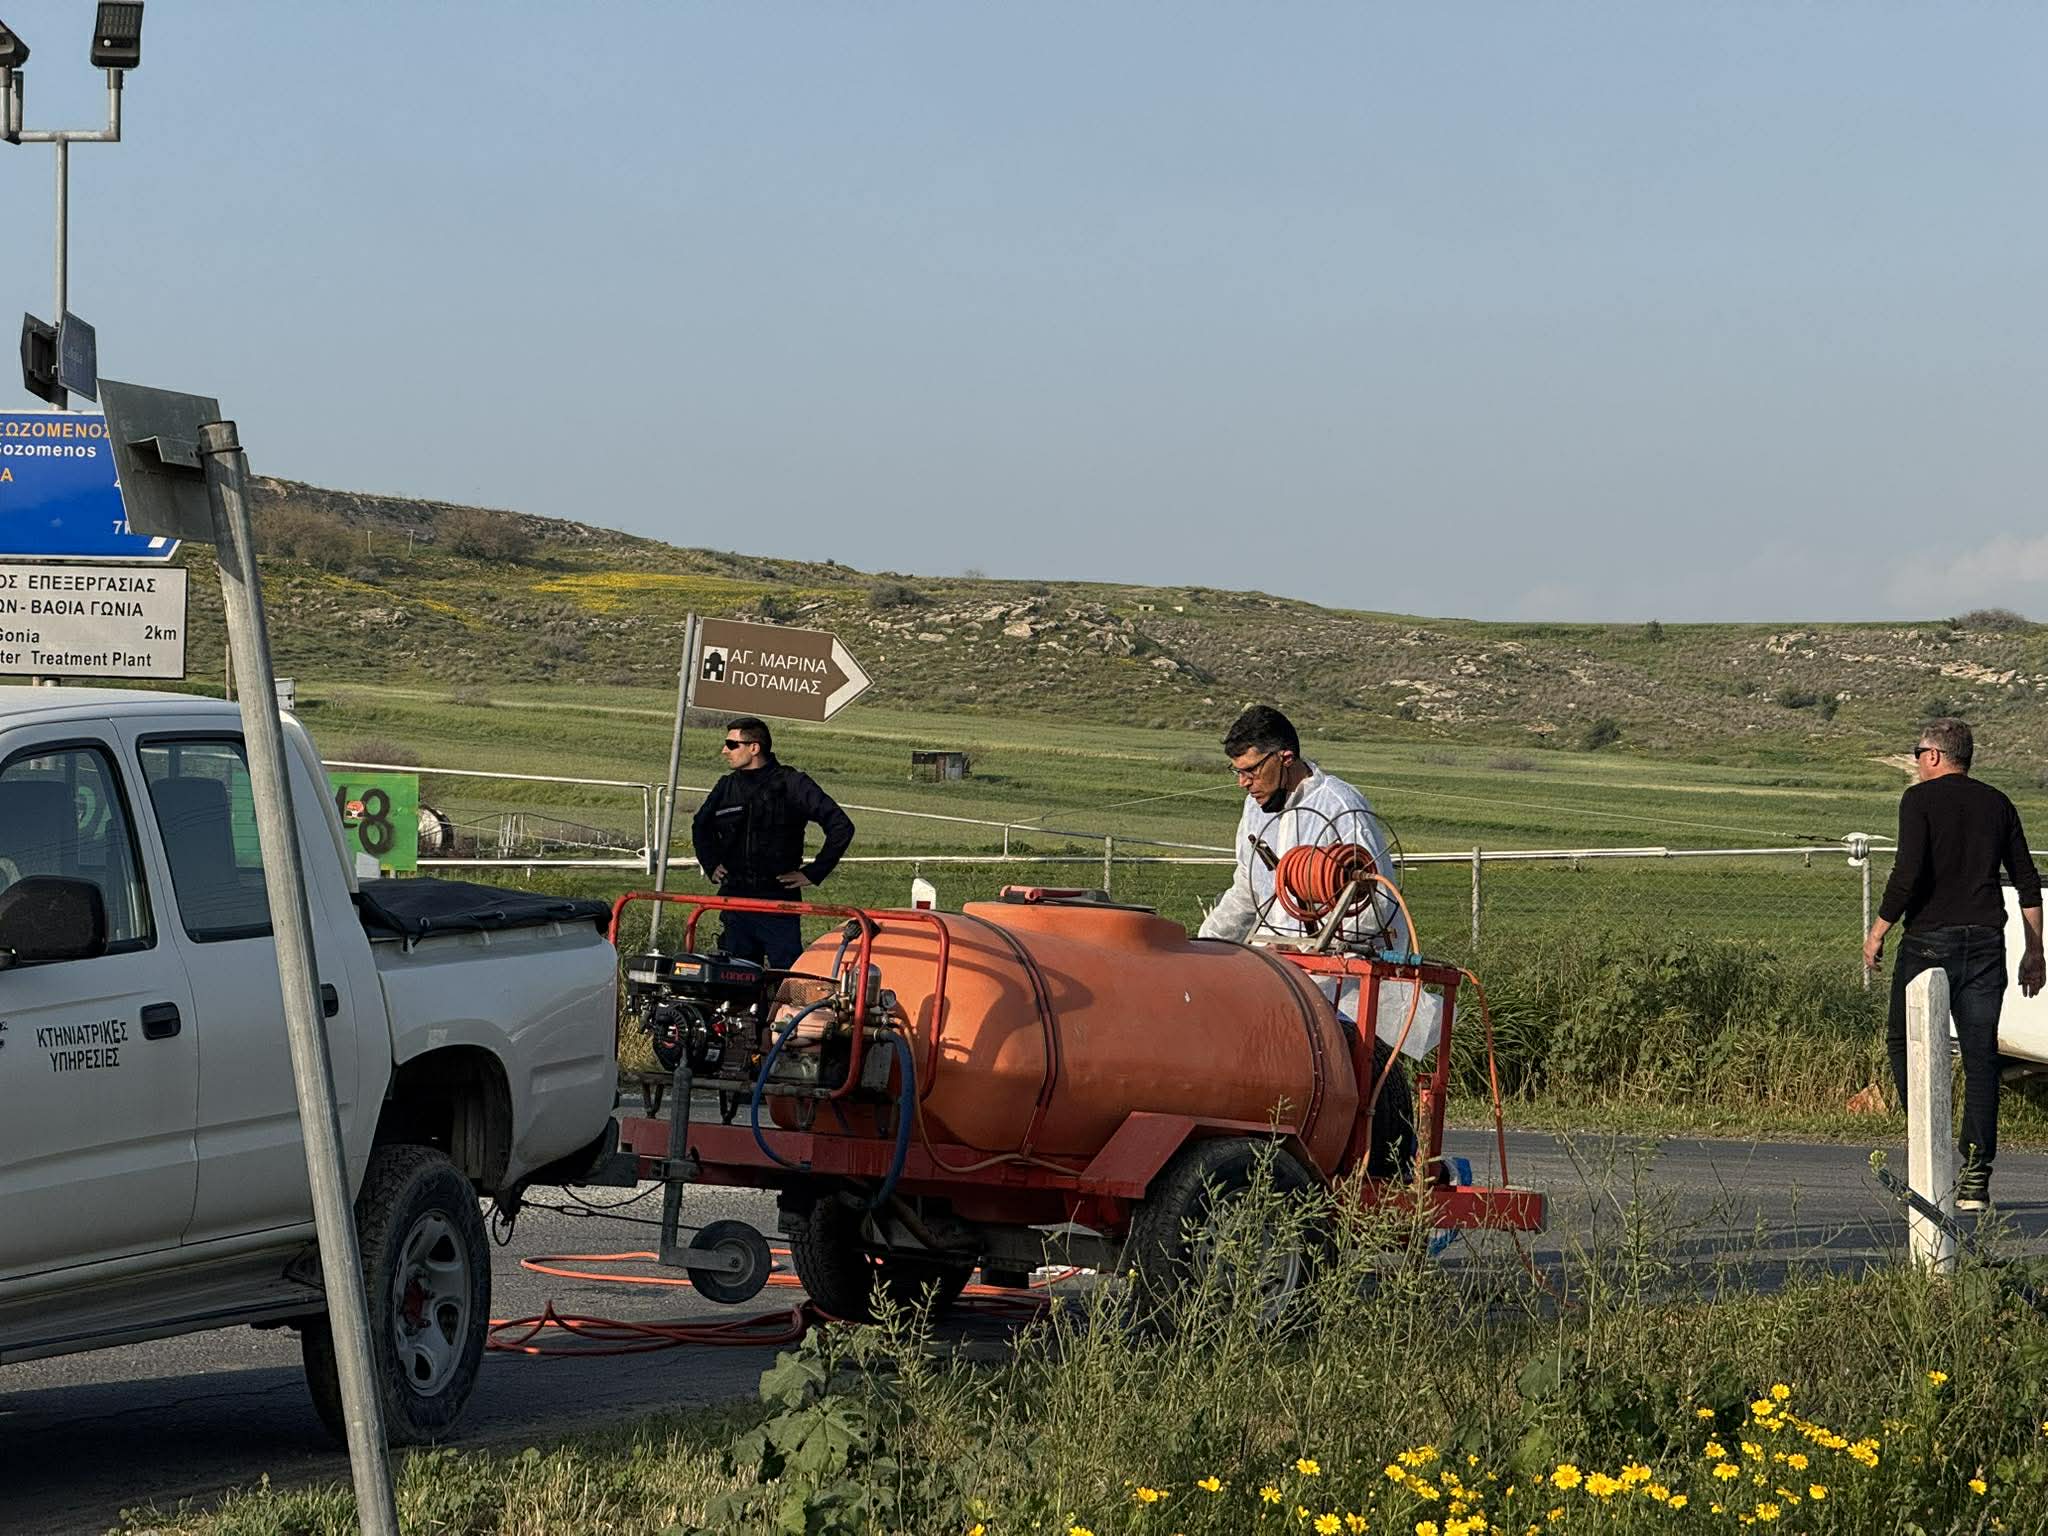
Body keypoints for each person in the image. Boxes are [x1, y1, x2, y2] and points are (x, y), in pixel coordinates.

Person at [1196, 704, 1414, 1176]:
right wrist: (1203, 946)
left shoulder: (1340, 808)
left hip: (1340, 976)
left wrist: (1319, 943)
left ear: (1286, 758)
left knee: (1346, 1070)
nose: (1243, 783)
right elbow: (1247, 890)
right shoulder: (1256, 810)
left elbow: (1376, 902)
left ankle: (1368, 1166)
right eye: (1236, 772)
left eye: (1251, 770)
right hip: (1279, 966)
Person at [1863, 717, 2044, 1211]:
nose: (1916, 761)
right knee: (1982, 1054)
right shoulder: (1998, 802)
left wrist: (1878, 931)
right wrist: (2034, 951)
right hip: (1986, 942)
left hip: (1929, 942)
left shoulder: (1918, 801)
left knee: (1905, 1041)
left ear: (1935, 756)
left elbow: (1907, 873)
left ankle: (1930, 1141)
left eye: (1917, 752)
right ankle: (1976, 1175)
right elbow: (2026, 880)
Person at [691, 716, 855, 968]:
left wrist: (813, 872)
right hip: (736, 902)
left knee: (787, 979)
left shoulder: (793, 783)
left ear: (754, 748)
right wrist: (711, 863)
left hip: (778, 904)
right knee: (735, 979)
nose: (724, 751)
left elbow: (841, 826)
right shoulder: (726, 786)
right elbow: (700, 826)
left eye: (732, 744)